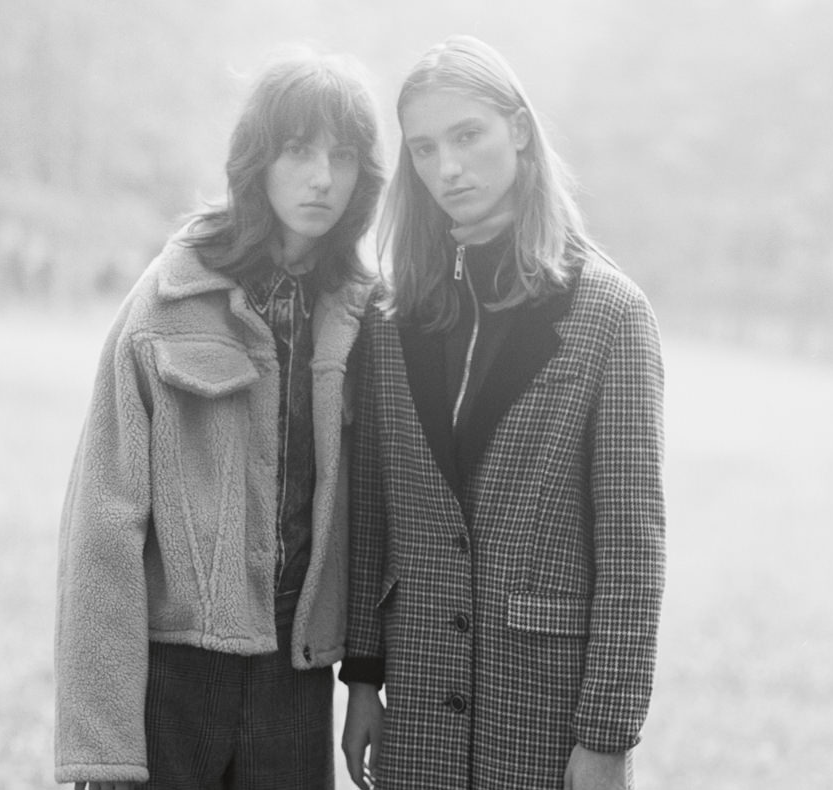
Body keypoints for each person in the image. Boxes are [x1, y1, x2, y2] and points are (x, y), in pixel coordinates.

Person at [338, 35, 666, 790]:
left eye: (467, 136)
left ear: (518, 129)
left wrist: (606, 736)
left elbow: (632, 548)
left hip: (545, 715)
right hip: (415, 711)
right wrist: (362, 678)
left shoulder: (611, 314)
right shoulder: (391, 318)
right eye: (424, 149)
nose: (447, 168)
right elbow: (373, 509)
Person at [55, 51, 383, 790]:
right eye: (298, 150)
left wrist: (366, 674)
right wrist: (104, 745)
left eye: (342, 156)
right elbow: (102, 526)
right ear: (257, 159)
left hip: (296, 672)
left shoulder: (365, 314)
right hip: (172, 673)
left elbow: (378, 517)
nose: (322, 178)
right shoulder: (169, 299)